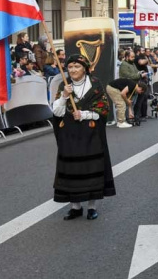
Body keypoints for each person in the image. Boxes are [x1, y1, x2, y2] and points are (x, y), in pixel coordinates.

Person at [51, 54, 116, 220]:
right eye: (70, 67)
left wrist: (86, 114)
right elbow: (57, 112)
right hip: (70, 135)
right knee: (72, 169)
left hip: (90, 133)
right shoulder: (63, 85)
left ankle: (92, 207)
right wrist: (64, 96)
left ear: (85, 68)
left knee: (91, 168)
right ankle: (75, 207)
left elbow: (103, 110)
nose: (73, 70)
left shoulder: (95, 85)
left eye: (77, 66)